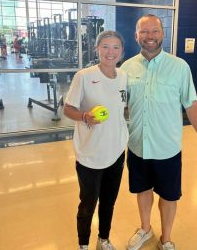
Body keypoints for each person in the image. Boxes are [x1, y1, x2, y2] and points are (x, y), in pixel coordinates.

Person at [121, 14, 197, 250]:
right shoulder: (126, 68)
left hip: (167, 147)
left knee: (169, 196)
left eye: (154, 31)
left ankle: (166, 238)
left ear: (162, 34)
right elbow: (118, 105)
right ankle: (145, 229)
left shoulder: (179, 67)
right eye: (144, 32)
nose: (149, 37)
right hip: (138, 144)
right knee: (142, 190)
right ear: (136, 35)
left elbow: (191, 104)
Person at [64, 30, 129, 250]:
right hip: (90, 154)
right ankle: (83, 244)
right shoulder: (84, 76)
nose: (111, 52)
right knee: (88, 204)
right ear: (97, 49)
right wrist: (84, 116)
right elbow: (68, 109)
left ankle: (103, 239)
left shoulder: (123, 76)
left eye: (116, 47)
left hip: (117, 151)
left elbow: (121, 110)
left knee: (109, 202)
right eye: (106, 47)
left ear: (122, 51)